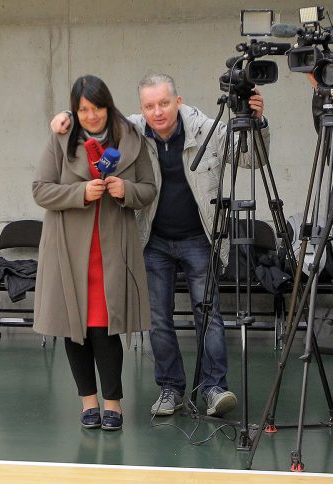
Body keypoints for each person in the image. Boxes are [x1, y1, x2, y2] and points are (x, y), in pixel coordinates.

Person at [51, 73, 269, 417]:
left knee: (208, 314)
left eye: (164, 103)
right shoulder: (131, 131)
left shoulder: (207, 130)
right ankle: (171, 388)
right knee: (158, 319)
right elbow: (95, 115)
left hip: (200, 236)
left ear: (178, 101)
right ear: (141, 109)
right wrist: (65, 114)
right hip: (153, 240)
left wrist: (257, 123)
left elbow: (252, 160)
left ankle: (213, 388)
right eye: (149, 106)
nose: (158, 112)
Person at [33, 74, 156, 431]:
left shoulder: (131, 137)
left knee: (106, 328)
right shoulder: (61, 137)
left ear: (108, 105)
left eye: (97, 107)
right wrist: (80, 193)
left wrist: (125, 190)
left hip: (113, 247)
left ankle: (113, 404)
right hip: (68, 249)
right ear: (74, 110)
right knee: (76, 329)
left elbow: (149, 189)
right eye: (83, 109)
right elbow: (40, 190)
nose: (91, 116)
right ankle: (88, 402)